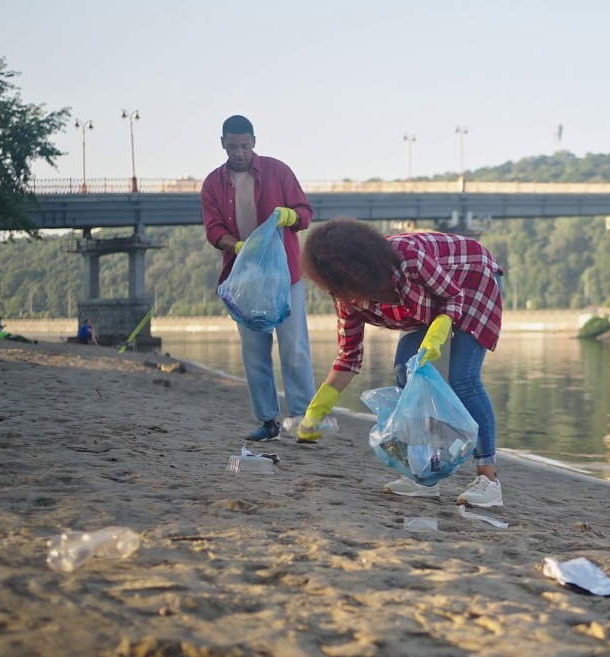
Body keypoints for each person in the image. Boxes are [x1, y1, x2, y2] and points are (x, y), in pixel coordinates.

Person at [297, 218, 506, 508]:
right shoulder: (347, 298)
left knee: (463, 378)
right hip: (435, 304)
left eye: (350, 288)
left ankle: (489, 482)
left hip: (472, 279)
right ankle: (424, 476)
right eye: (340, 291)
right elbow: (349, 356)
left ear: (364, 271)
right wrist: (317, 409)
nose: (349, 299)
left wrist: (439, 331)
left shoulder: (408, 259)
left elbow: (453, 295)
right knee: (404, 372)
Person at [201, 115, 317, 442]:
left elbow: (305, 213)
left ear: (254, 142)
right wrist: (238, 246)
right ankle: (268, 421)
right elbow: (213, 231)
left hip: (285, 275)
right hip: (245, 279)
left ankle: (303, 419)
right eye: (234, 146)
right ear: (222, 143)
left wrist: (290, 215)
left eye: (246, 146)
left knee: (294, 348)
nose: (240, 152)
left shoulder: (278, 171)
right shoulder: (212, 183)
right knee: (254, 352)